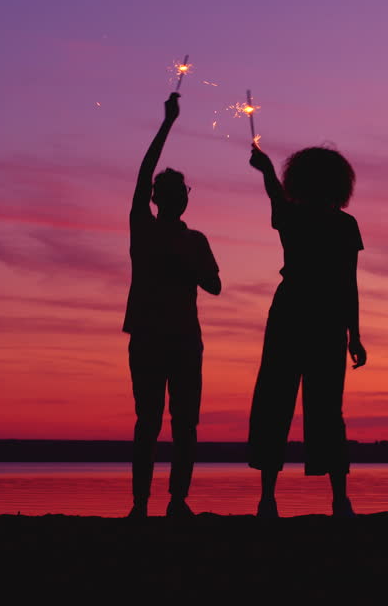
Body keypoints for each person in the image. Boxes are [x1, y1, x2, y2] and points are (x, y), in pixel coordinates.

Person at [247, 144, 367, 518]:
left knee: (276, 401)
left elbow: (275, 195)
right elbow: (349, 283)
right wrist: (355, 334)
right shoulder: (344, 225)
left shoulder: (293, 215)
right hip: (327, 318)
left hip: (293, 312)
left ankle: (268, 499)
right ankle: (339, 501)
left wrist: (267, 169)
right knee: (326, 408)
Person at [123, 92, 221, 518]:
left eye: (182, 190)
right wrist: (168, 123)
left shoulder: (196, 240)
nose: (180, 196)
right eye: (173, 190)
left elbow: (215, 285)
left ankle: (177, 501)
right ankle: (141, 505)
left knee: (185, 424)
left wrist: (190, 268)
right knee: (148, 422)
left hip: (184, 340)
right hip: (148, 337)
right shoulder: (142, 226)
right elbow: (143, 173)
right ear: (159, 197)